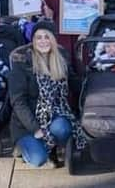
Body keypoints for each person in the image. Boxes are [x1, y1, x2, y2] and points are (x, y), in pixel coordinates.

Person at [8, 20, 86, 168]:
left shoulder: (61, 56)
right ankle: (21, 148)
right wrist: (36, 129)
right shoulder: (22, 61)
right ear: (33, 40)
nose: (43, 41)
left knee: (63, 128)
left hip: (54, 114)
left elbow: (74, 81)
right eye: (39, 37)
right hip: (27, 124)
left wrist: (91, 85)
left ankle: (52, 147)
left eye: (47, 37)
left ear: (53, 39)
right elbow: (18, 103)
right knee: (38, 160)